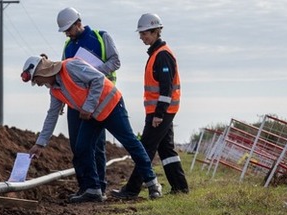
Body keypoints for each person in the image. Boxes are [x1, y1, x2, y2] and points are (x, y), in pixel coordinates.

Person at [22, 55, 162, 203]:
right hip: (93, 115)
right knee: (82, 147)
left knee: (130, 143)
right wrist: (40, 143)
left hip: (111, 106)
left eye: (36, 80)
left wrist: (88, 107)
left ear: (43, 72)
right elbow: (52, 116)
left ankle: (153, 183)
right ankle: (93, 189)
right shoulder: (55, 90)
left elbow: (98, 79)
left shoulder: (70, 66)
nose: (38, 84)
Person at [111, 13, 189, 200]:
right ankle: (181, 188)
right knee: (166, 150)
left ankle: (131, 190)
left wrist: (159, 114)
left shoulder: (162, 55)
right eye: (141, 34)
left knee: (144, 148)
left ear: (156, 32)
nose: (141, 37)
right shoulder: (157, 53)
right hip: (161, 111)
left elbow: (166, 88)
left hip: (161, 112)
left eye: (145, 33)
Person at [56, 7, 121, 197]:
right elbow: (62, 74)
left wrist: (94, 73)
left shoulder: (101, 37)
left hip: (97, 100)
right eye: (65, 31)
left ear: (78, 23)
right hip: (75, 103)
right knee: (77, 145)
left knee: (97, 145)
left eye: (69, 29)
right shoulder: (68, 46)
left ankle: (99, 186)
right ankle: (85, 186)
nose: (67, 33)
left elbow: (115, 61)